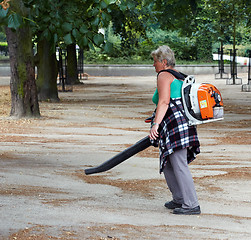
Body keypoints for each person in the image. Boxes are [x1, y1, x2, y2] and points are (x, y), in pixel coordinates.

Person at [149, 45, 201, 215]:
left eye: (155, 62)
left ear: (164, 62)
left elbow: (164, 102)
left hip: (174, 125)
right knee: (170, 163)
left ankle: (191, 204)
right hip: (182, 123)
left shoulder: (164, 75)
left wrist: (155, 125)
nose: (154, 65)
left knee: (178, 164)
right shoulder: (179, 76)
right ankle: (179, 198)